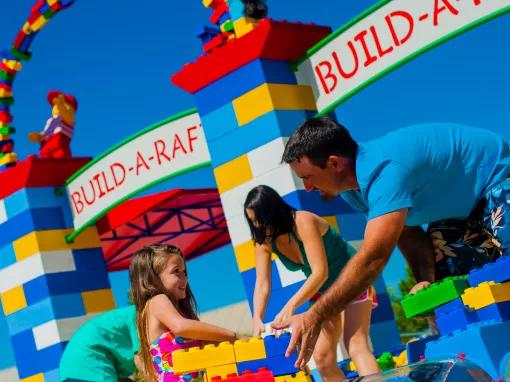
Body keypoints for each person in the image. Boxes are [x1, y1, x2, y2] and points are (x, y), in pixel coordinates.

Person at [276, 116, 510, 368]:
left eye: (308, 177)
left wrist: (316, 314)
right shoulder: (353, 192)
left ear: (334, 163)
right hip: (457, 215)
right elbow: (407, 233)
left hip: (497, 180)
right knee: (451, 299)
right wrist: (426, 280)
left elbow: (373, 258)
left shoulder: (384, 172)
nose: (307, 188)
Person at [244, 185, 379, 381]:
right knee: (322, 357)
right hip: (323, 291)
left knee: (355, 344)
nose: (257, 226)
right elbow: (262, 284)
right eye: (252, 221)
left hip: (351, 280)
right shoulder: (263, 240)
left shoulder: (302, 221)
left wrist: (291, 305)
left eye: (259, 220)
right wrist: (257, 317)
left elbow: (320, 273)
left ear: (272, 212)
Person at [129, 244, 239, 382]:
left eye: (184, 272)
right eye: (176, 271)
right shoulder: (157, 301)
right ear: (153, 278)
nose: (185, 279)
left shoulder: (174, 310)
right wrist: (232, 336)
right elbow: (181, 327)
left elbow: (206, 341)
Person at [59, 305, 139, 382]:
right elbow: (142, 359)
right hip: (89, 365)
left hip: (72, 371)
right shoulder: (140, 315)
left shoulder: (126, 316)